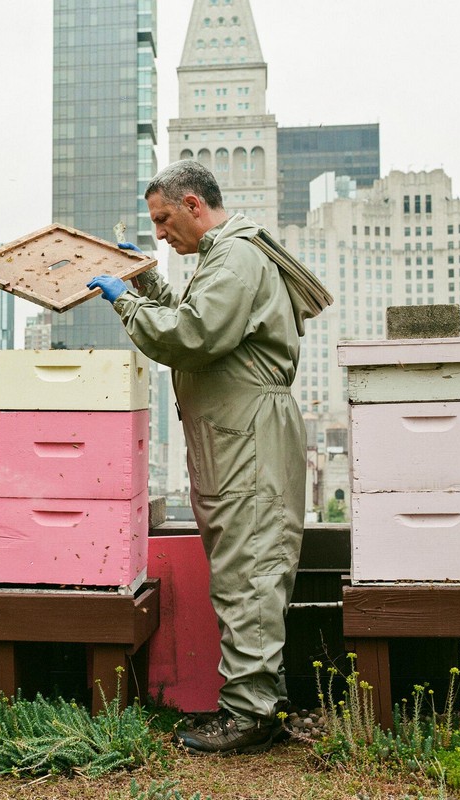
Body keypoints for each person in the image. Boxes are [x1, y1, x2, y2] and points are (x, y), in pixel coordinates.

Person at [87, 160, 328, 755]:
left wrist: (126, 304)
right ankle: (257, 703)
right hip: (233, 437)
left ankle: (251, 716)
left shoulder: (237, 257)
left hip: (248, 439)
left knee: (250, 573)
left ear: (195, 205)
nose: (161, 233)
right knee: (241, 571)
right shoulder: (220, 258)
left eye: (164, 220)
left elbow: (192, 337)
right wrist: (144, 280)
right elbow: (194, 318)